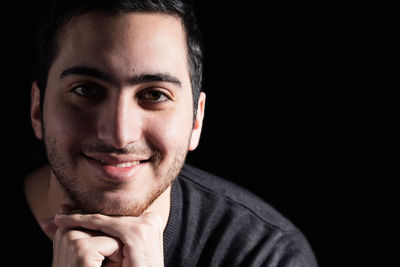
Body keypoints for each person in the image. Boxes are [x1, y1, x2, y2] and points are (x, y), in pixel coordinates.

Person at [1, 0, 318, 266]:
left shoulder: (263, 254)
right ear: (37, 109)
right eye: (85, 90)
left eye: (154, 95)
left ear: (197, 119)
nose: (119, 135)